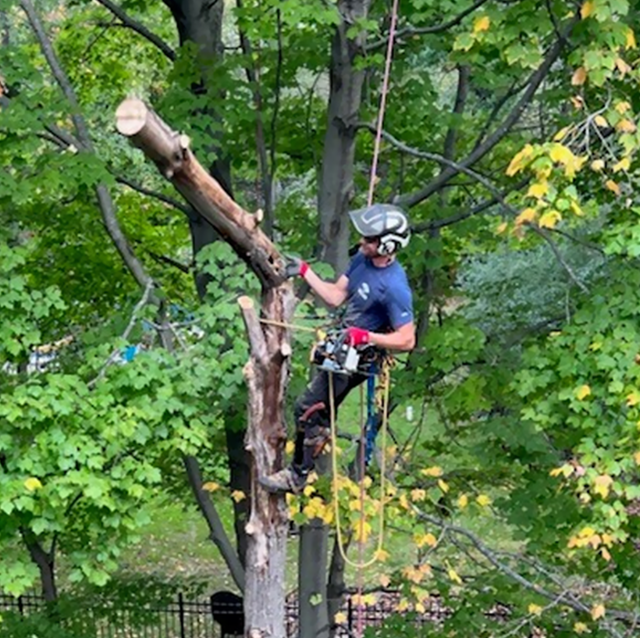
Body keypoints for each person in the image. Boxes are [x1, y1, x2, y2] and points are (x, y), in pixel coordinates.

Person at [259, 203, 415, 494]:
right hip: (345, 342)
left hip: (360, 358)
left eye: (369, 239)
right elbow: (335, 296)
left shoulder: (394, 287)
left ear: (387, 244)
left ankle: (297, 476)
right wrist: (305, 271)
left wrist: (367, 336)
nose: (362, 242)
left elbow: (407, 340)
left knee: (308, 408)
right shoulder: (362, 261)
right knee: (316, 407)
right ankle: (315, 440)